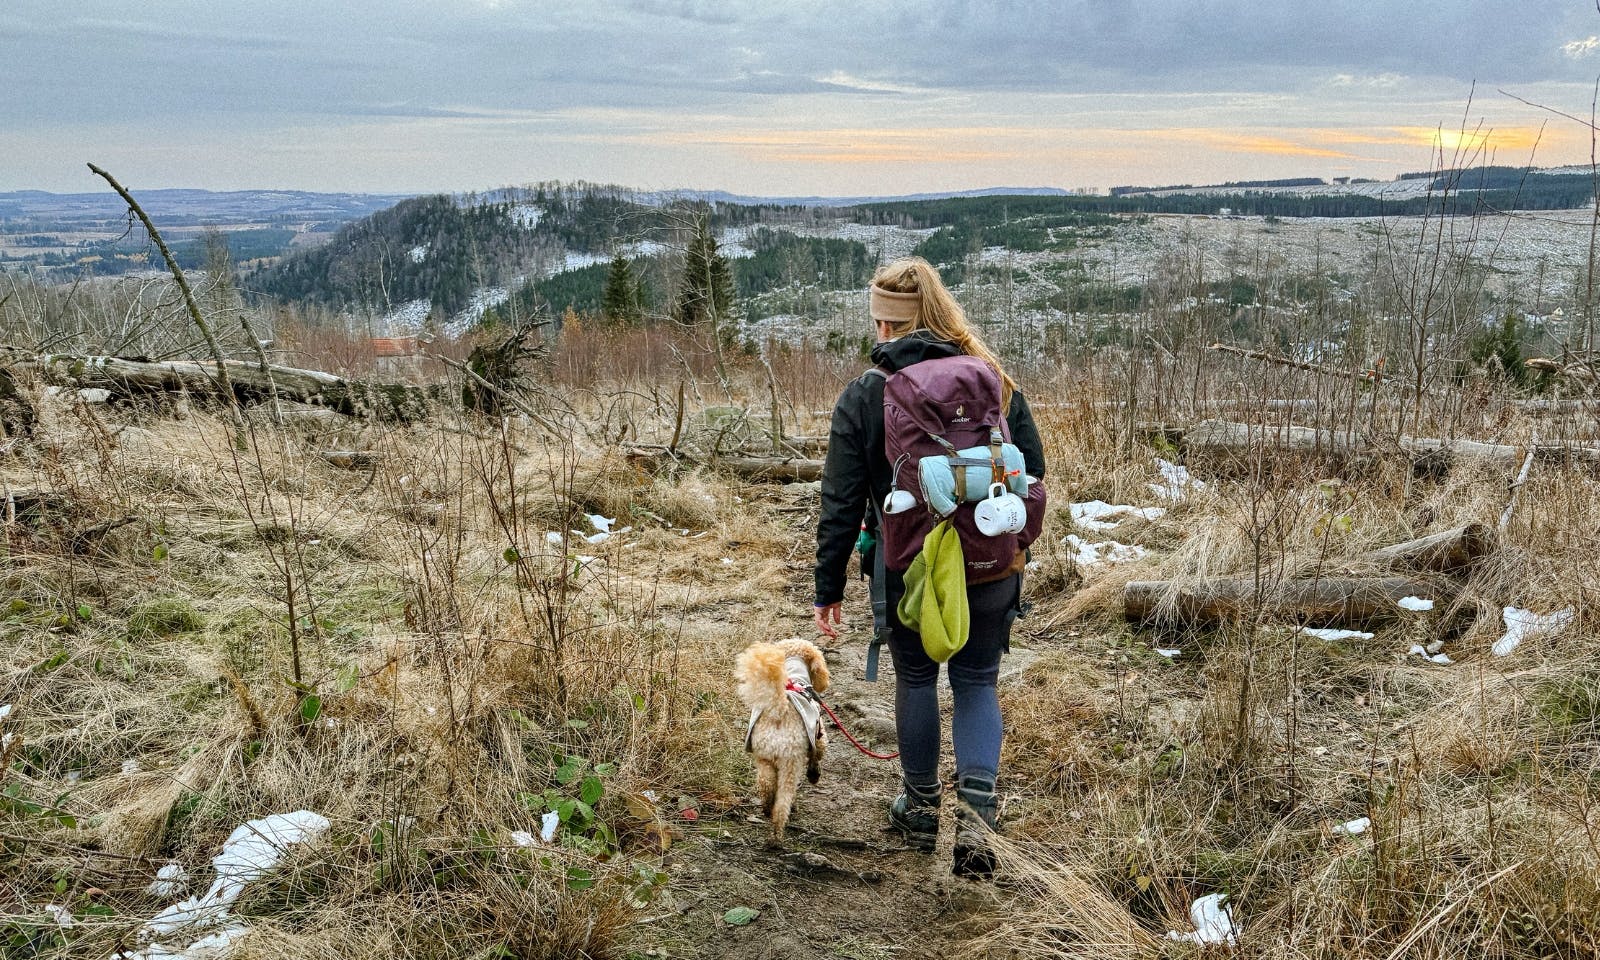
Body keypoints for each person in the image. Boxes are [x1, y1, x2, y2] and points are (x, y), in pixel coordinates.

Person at [811, 257, 1045, 877]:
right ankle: (978, 820)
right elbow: (1033, 470)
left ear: (885, 325)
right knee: (977, 682)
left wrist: (827, 586)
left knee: (915, 680)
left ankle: (919, 809)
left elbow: (840, 499)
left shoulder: (866, 394)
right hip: (992, 561)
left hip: (907, 564)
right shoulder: (991, 378)